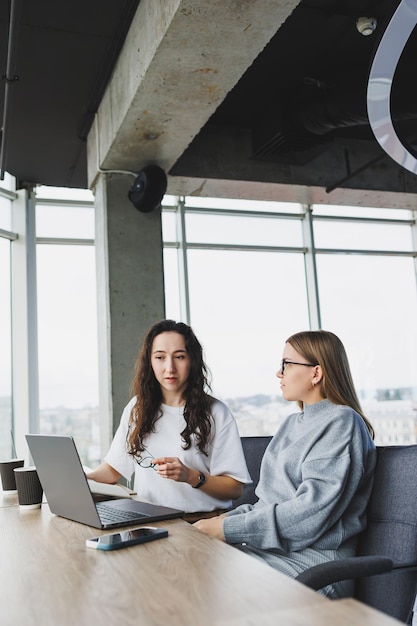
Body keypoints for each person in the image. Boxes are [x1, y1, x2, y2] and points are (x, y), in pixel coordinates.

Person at [194, 330, 376, 598]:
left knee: (198, 578)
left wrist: (225, 529)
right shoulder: (291, 424)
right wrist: (216, 523)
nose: (279, 374)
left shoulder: (342, 423)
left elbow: (310, 515)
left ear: (316, 373)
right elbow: (265, 505)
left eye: (286, 365)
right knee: (181, 559)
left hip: (313, 568)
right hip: (270, 555)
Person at [87, 319, 251, 522]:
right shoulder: (137, 408)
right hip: (148, 522)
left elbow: (234, 488)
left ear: (192, 360)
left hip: (202, 524)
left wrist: (190, 476)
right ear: (150, 362)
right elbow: (113, 469)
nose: (169, 368)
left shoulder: (216, 412)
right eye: (160, 357)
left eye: (179, 357)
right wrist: (81, 479)